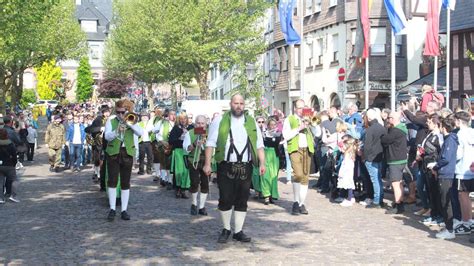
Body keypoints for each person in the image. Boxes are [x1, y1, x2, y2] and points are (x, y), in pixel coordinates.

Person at [203, 94, 265, 243]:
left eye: (241, 103)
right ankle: (226, 229)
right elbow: (210, 143)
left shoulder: (251, 122)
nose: (238, 106)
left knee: (242, 199)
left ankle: (238, 231)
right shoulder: (219, 121)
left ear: (244, 105)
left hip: (245, 165)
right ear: (231, 104)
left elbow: (259, 145)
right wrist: (207, 163)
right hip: (226, 165)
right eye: (236, 103)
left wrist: (262, 163)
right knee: (225, 198)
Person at [104, 99, 143, 221]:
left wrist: (130, 123)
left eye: (123, 112)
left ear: (127, 111)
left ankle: (124, 210)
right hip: (113, 153)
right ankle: (112, 208)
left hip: (127, 153)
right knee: (112, 181)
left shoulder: (131, 119)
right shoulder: (111, 121)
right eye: (118, 112)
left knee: (126, 182)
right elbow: (107, 136)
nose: (120, 115)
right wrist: (117, 131)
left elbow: (140, 132)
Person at [427, 116, 458, 239]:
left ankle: (449, 229)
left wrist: (436, 166)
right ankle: (448, 226)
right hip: (445, 173)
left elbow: (445, 158)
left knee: (446, 202)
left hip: (446, 174)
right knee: (444, 201)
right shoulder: (449, 139)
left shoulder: (450, 140)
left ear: (443, 128)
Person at [282, 99, 314, 215]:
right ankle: (295, 201)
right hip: (295, 149)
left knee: (305, 177)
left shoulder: (309, 118)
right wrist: (298, 128)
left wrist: (313, 124)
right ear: (295, 108)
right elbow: (285, 135)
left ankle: (301, 203)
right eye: (299, 107)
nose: (302, 110)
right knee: (298, 174)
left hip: (307, 149)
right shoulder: (289, 119)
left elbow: (318, 133)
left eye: (303, 107)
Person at [381, 111, 408, 214]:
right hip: (401, 158)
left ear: (393, 119)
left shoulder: (395, 131)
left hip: (395, 160)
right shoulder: (402, 129)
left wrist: (385, 132)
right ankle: (400, 201)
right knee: (399, 182)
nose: (388, 119)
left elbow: (385, 140)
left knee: (395, 184)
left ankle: (398, 205)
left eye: (389, 118)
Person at [453, 111, 474, 235]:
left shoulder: (460, 134)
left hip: (462, 168)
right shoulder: (472, 131)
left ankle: (466, 222)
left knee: (463, 196)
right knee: (467, 196)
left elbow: (458, 154)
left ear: (459, 121)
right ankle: (469, 220)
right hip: (471, 167)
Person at [183, 115, 209, 215]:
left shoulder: (209, 134)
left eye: (202, 123)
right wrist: (194, 144)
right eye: (198, 123)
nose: (200, 125)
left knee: (205, 183)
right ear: (195, 123)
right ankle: (194, 204)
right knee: (194, 182)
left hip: (205, 161)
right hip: (193, 161)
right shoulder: (190, 133)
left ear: (206, 124)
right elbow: (186, 149)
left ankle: (202, 206)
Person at [363, 108, 387, 208]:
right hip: (379, 156)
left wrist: (365, 157)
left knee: (375, 180)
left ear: (368, 118)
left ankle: (377, 201)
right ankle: (380, 199)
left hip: (371, 157)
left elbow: (367, 146)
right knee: (378, 179)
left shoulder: (370, 129)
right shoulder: (382, 127)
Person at [169, 112, 191, 198]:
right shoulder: (176, 128)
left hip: (188, 151)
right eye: (181, 119)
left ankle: (184, 189)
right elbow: (171, 141)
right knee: (178, 171)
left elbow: (198, 136)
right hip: (178, 152)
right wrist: (181, 137)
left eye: (184, 118)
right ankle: (177, 189)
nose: (183, 120)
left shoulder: (191, 127)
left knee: (186, 171)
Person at [261, 117, 281, 205]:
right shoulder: (264, 134)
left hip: (274, 156)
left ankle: (272, 195)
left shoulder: (278, 134)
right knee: (265, 176)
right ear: (268, 125)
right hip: (265, 155)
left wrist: (272, 135)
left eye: (274, 125)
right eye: (271, 125)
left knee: (274, 176)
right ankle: (266, 195)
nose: (273, 126)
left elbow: (276, 142)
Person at [337, 137, 359, 207]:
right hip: (348, 170)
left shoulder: (348, 153)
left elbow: (345, 164)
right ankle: (351, 197)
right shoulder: (351, 152)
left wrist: (341, 172)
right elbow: (340, 144)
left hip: (347, 171)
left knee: (348, 184)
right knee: (349, 184)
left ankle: (349, 199)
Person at [0, 128, 19, 203]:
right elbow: (14, 155)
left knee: (0, 182)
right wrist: (14, 164)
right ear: (6, 135)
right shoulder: (10, 144)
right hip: (9, 165)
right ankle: (13, 196)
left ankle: (0, 198)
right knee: (14, 180)